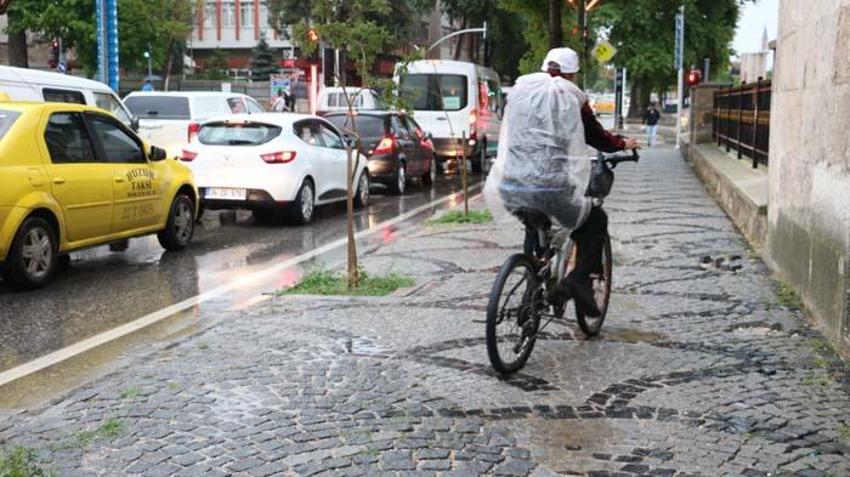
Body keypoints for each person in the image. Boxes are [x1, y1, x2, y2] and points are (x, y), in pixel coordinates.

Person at [536, 47, 638, 317]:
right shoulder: (571, 96)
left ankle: (532, 282)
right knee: (595, 222)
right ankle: (577, 281)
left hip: (512, 183)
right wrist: (622, 143)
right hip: (554, 183)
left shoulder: (525, 94)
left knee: (534, 223)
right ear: (571, 73)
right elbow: (596, 136)